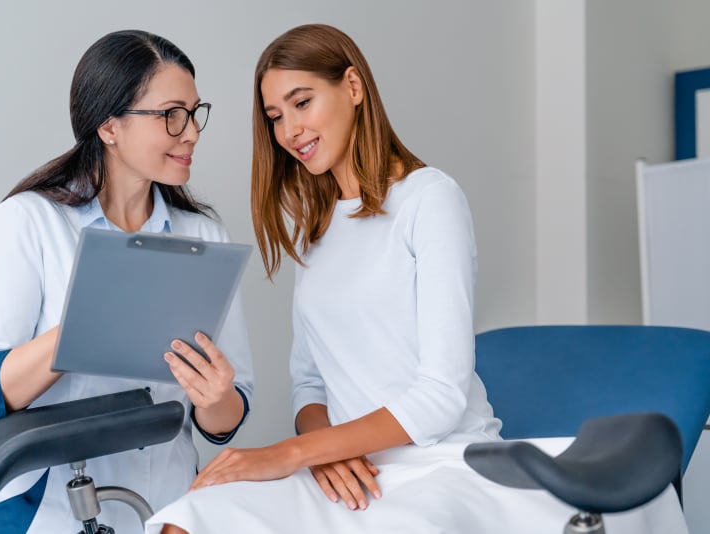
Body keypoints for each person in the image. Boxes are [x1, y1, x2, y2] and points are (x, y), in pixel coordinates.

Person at [146, 24, 687, 534]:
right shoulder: (316, 230)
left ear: (353, 86)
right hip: (348, 470)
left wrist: (292, 452)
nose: (289, 131)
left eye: (302, 102)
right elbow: (310, 384)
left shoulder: (430, 199)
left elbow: (441, 396)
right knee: (191, 516)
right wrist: (326, 448)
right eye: (274, 117)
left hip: (443, 465)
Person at [0, 29, 254, 534]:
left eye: (195, 114)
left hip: (165, 511)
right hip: (42, 514)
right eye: (171, 115)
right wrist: (82, 328)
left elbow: (226, 417)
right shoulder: (31, 220)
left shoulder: (204, 235)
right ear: (110, 127)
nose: (192, 133)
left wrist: (216, 395)